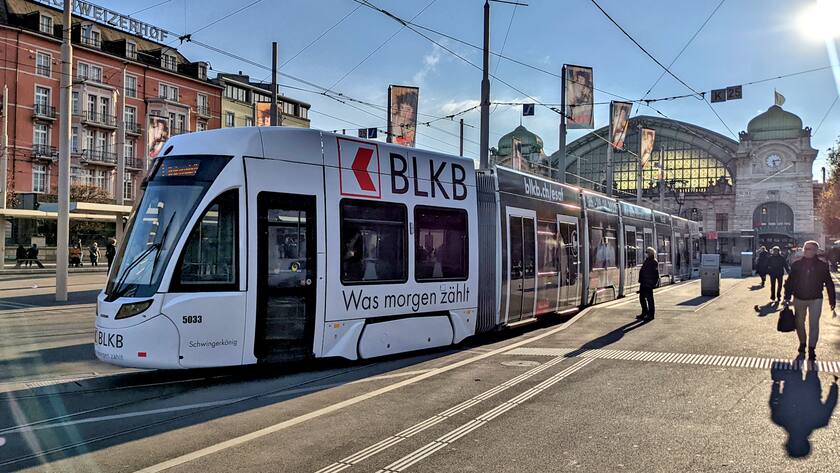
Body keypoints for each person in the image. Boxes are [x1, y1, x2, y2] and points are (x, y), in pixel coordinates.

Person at [783, 241, 837, 360]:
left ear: (816, 251)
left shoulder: (822, 265)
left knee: (814, 324)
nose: (807, 251)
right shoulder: (797, 264)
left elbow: (829, 283)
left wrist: (832, 301)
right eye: (805, 248)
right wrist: (787, 297)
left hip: (816, 298)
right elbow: (790, 281)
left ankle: (812, 348)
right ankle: (803, 343)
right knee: (799, 323)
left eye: (810, 249)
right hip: (799, 297)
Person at [637, 247, 659, 320]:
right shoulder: (647, 261)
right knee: (642, 298)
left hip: (649, 283)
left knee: (650, 299)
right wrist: (640, 280)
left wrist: (654, 283)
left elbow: (656, 274)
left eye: (647, 252)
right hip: (643, 282)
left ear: (650, 253)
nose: (646, 254)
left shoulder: (654, 262)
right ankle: (644, 312)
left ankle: (651, 315)